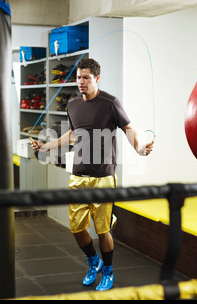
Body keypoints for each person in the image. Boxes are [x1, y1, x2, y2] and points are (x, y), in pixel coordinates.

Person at [31, 58, 153, 291]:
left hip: (103, 177)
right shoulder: (73, 104)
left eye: (86, 77)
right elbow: (73, 135)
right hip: (78, 176)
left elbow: (128, 128)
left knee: (102, 230)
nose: (81, 82)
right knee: (77, 228)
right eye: (78, 77)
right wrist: (47, 146)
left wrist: (139, 148)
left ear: (97, 78)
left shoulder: (110, 102)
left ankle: (108, 271)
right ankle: (93, 261)